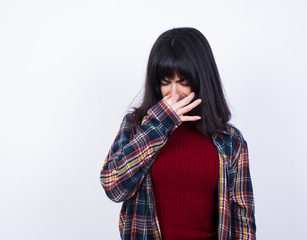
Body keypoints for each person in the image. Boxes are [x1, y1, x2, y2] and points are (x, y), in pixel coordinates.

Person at [100, 27, 256, 240]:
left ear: (202, 80)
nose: (174, 92)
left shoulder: (230, 141)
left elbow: (243, 225)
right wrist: (160, 123)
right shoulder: (137, 126)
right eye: (166, 81)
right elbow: (113, 186)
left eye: (183, 81)